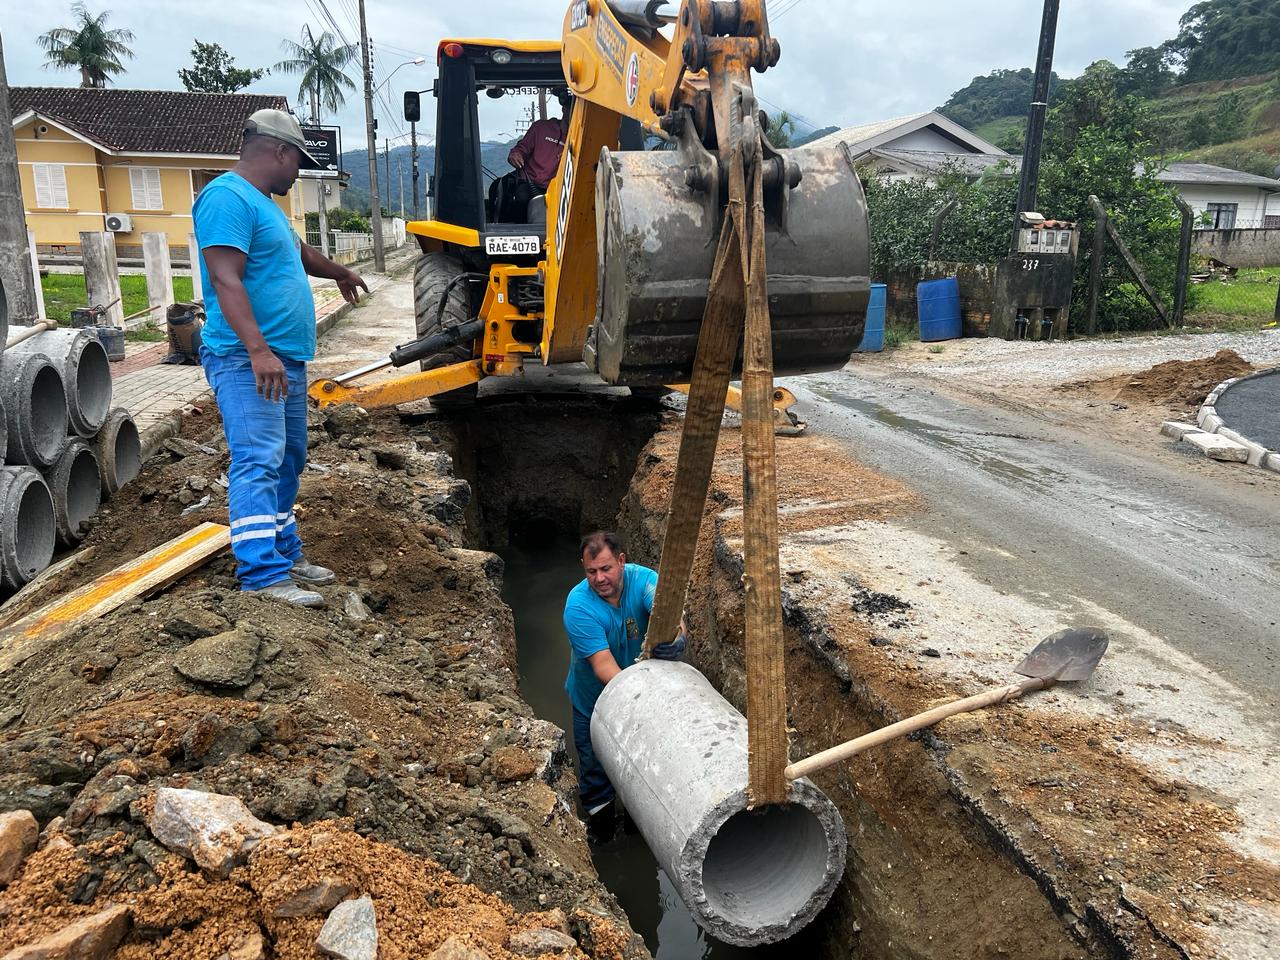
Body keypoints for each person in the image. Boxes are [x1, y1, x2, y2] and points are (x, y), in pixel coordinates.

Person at [194, 108, 368, 607]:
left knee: (289, 458)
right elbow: (226, 278)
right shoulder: (226, 198)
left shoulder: (264, 205)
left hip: (281, 359)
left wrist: (339, 271)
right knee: (258, 459)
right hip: (248, 361)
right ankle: (262, 575)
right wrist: (257, 350)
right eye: (298, 162)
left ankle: (286, 554)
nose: (298, 173)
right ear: (278, 151)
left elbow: (300, 255)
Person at [563, 531, 685, 841]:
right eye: (591, 572)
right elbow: (603, 666)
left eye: (606, 569)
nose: (599, 578)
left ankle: (635, 828)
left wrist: (677, 635)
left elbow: (668, 610)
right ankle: (602, 833)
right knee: (596, 773)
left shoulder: (643, 580)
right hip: (594, 703)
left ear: (621, 561)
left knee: (642, 773)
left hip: (644, 696)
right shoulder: (578, 606)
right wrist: (640, 706)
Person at [507, 89, 573, 192]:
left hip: (557, 191)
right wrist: (516, 154)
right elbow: (521, 149)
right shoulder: (541, 128)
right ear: (564, 109)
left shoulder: (579, 140)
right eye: (572, 110)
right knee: (521, 195)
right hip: (529, 184)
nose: (575, 115)